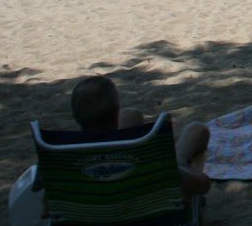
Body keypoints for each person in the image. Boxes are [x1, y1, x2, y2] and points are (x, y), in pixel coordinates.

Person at [69, 75, 211, 198]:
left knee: (131, 114)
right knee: (197, 130)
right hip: (147, 199)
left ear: (75, 117)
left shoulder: (66, 159)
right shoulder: (143, 161)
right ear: (116, 112)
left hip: (95, 209)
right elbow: (203, 184)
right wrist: (177, 166)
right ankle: (179, 158)